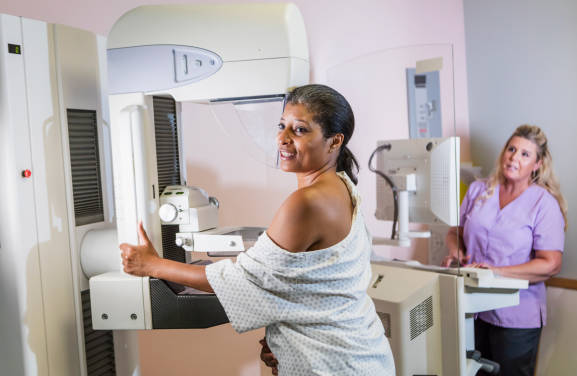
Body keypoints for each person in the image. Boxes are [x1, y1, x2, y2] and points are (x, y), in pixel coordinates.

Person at [120, 84, 395, 375]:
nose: (283, 139)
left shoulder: (307, 202)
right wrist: (287, 339)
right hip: (356, 354)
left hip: (335, 363)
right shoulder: (342, 187)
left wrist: (152, 265)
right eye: (282, 125)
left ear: (334, 141)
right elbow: (316, 287)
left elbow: (242, 280)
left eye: (299, 130)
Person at [443, 125, 567, 376]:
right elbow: (454, 232)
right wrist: (457, 252)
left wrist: (496, 272)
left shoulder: (543, 203)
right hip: (473, 309)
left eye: (524, 154)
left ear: (537, 164)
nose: (514, 157)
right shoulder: (479, 190)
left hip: (516, 317)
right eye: (511, 149)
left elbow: (551, 264)